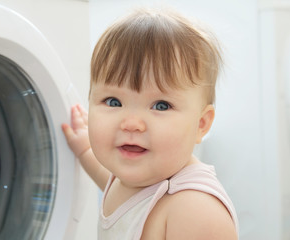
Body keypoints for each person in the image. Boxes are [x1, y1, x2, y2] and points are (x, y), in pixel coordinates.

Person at [62, 7, 239, 239]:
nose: (132, 123)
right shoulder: (132, 179)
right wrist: (85, 148)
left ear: (201, 124)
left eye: (161, 106)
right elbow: (109, 180)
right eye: (113, 102)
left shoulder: (194, 209)